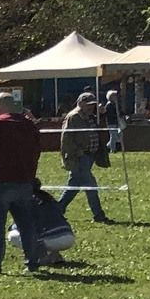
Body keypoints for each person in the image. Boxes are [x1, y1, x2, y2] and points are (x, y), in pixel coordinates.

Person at [0, 90, 44, 274]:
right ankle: (32, 262)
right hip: (24, 181)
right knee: (26, 225)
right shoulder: (30, 125)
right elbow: (37, 151)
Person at [56, 90, 110, 224]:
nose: (91, 107)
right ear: (80, 103)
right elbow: (66, 139)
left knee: (73, 187)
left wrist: (102, 115)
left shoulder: (90, 116)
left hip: (89, 157)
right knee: (91, 187)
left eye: (93, 104)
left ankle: (56, 211)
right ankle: (98, 215)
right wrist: (74, 153)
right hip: (79, 157)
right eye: (88, 104)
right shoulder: (73, 117)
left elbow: (101, 131)